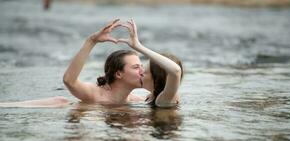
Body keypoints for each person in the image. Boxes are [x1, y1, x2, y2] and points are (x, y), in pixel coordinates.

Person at [0, 19, 183, 108]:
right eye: (136, 67)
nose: (142, 71)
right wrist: (91, 41)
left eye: (143, 67)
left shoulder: (140, 99)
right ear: (119, 74)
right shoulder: (97, 95)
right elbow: (69, 81)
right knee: (61, 101)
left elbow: (172, 75)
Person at [118, 19, 183, 107]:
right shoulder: (151, 96)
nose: (140, 72)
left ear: (157, 79)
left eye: (145, 72)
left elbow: (176, 71)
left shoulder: (164, 99)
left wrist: (138, 46)